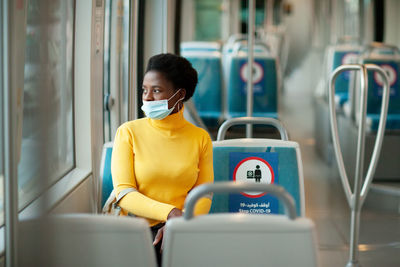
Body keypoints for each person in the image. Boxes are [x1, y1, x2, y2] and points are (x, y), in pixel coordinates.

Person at [111, 53, 214, 265]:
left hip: (184, 226)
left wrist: (179, 222)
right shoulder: (128, 132)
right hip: (137, 229)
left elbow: (204, 194)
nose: (147, 98)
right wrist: (171, 214)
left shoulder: (200, 138)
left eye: (156, 90)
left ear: (180, 94)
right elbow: (124, 193)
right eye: (144, 90)